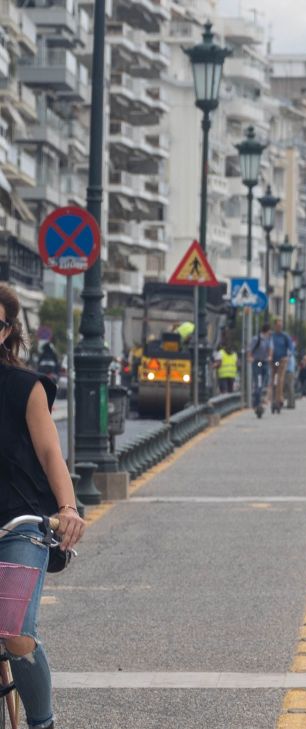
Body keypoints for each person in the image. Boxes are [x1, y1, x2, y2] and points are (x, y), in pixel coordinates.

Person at [0, 284, 85, 729]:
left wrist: (68, 508)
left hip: (20, 525)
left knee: (13, 630)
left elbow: (52, 453)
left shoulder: (25, 387)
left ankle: (42, 723)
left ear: (6, 331)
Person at [247, 322, 273, 411]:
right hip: (258, 362)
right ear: (267, 330)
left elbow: (270, 349)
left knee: (265, 378)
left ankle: (260, 395)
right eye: (270, 331)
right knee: (258, 380)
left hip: (265, 362)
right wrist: (250, 357)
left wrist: (270, 356)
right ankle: (257, 402)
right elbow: (250, 349)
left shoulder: (268, 339)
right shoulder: (256, 339)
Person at [269, 319, 292, 413]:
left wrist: (287, 356)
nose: (279, 327)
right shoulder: (271, 336)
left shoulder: (285, 336)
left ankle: (279, 398)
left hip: (281, 360)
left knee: (279, 380)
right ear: (274, 326)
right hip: (273, 360)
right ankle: (273, 398)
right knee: (273, 379)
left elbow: (290, 348)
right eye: (278, 325)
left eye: (281, 325)